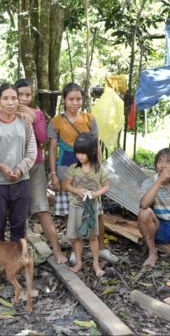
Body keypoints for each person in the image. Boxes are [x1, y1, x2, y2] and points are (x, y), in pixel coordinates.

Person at [48, 82, 119, 264]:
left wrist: (99, 168)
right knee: (69, 212)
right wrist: (54, 173)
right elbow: (53, 149)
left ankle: (100, 248)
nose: (75, 102)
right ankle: (75, 250)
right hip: (66, 169)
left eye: (78, 99)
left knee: (97, 211)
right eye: (71, 99)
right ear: (63, 100)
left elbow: (96, 145)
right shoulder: (56, 121)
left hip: (90, 171)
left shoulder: (89, 119)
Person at [15, 79, 67, 264]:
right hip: (13, 169)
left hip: (35, 166)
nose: (23, 98)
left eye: (27, 95)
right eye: (20, 95)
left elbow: (42, 138)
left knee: (42, 208)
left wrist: (33, 116)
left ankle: (57, 250)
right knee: (17, 212)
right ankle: (21, 254)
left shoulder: (36, 113)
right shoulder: (7, 114)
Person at [0, 84, 36, 242]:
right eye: (5, 98)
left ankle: (16, 263)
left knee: (19, 226)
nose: (10, 102)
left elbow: (31, 152)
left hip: (21, 182)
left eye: (14, 98)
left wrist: (19, 170)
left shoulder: (25, 123)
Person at [62, 133, 109, 276]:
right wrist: (76, 190)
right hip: (76, 207)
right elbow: (66, 185)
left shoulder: (99, 169)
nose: (80, 156)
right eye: (78, 153)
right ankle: (78, 262)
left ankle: (96, 264)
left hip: (91, 208)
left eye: (83, 153)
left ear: (92, 152)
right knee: (76, 237)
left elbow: (106, 186)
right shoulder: (73, 169)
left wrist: (97, 193)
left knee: (93, 237)